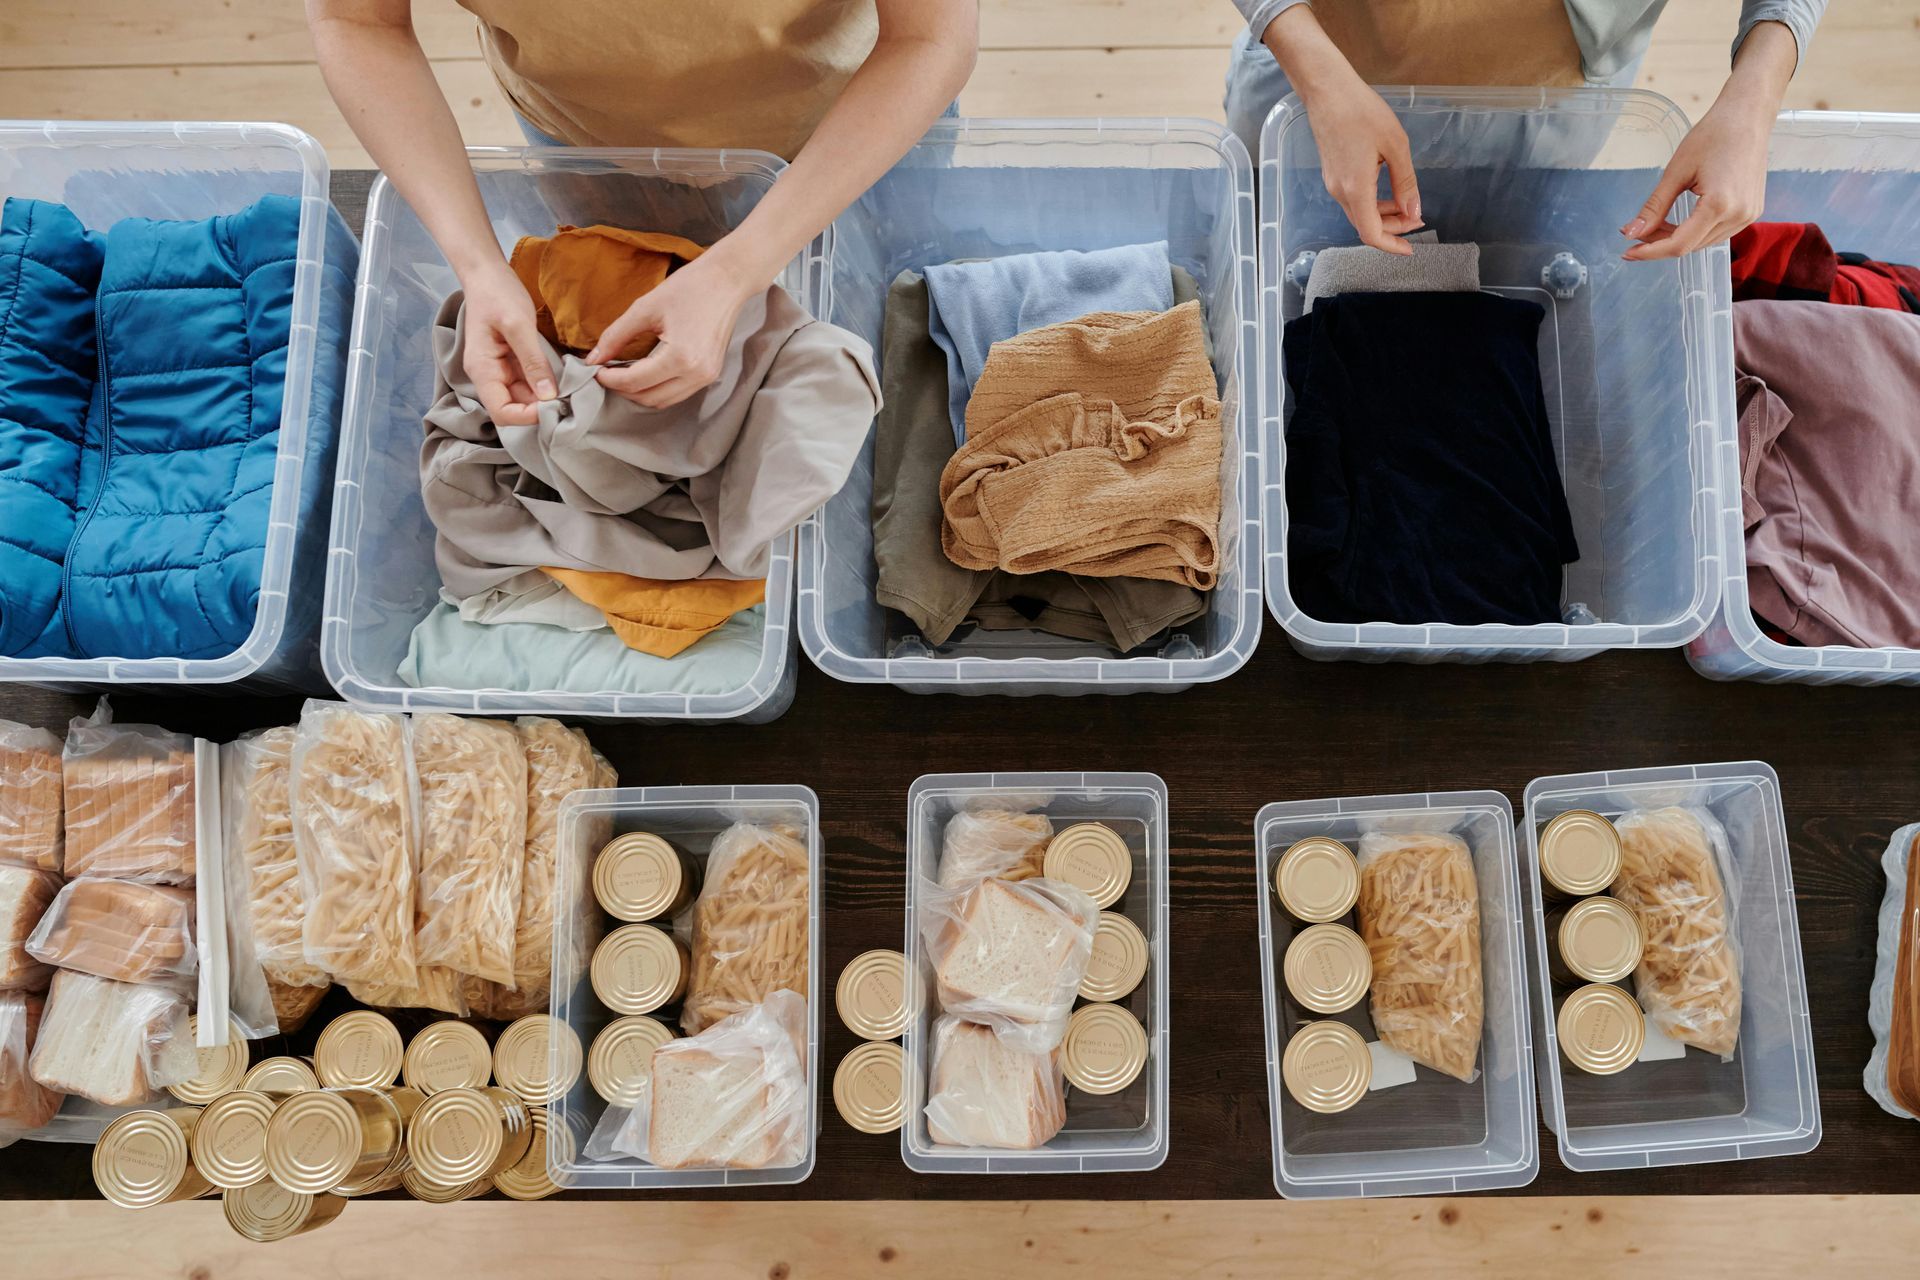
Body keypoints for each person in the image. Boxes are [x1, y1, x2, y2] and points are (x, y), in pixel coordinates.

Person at [308, 0, 977, 419]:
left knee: (891, 321)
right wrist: (480, 267)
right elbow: (356, 19)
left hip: (857, 120)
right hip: (587, 140)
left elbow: (928, 37)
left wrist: (733, 271)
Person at [1223, 1, 1826, 259]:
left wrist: (1753, 100)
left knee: (1500, 257)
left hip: (1552, 106)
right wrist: (1317, 76)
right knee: (1272, 254)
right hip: (1313, 71)